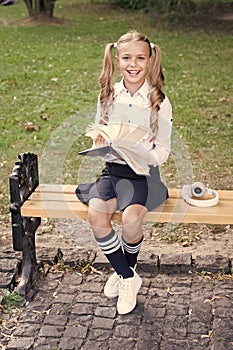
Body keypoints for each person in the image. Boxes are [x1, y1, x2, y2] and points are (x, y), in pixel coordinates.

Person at [76, 30, 173, 315]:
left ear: (150, 60)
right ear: (118, 60)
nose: (134, 64)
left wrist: (142, 153)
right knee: (97, 215)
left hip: (142, 175)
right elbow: (99, 135)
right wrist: (103, 144)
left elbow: (163, 150)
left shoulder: (158, 101)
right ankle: (128, 277)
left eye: (140, 58)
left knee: (131, 221)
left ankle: (122, 271)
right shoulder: (108, 95)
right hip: (112, 172)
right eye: (127, 57)